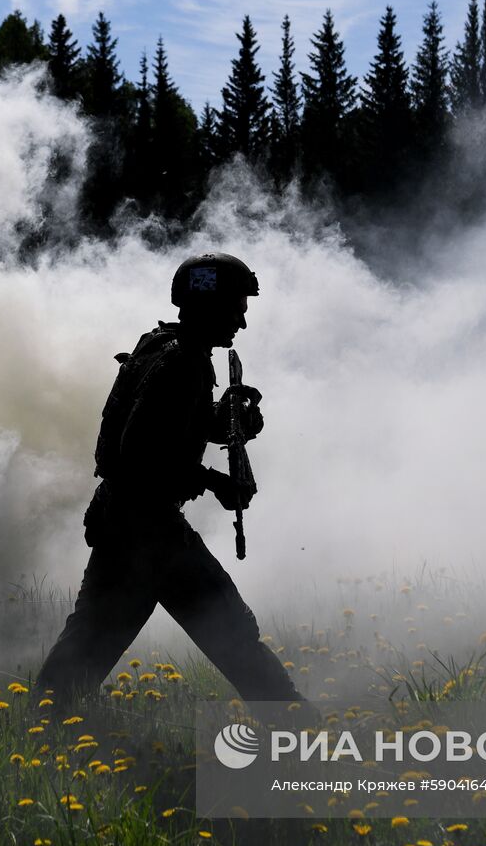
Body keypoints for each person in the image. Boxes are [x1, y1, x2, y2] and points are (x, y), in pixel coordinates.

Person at [35, 252, 305, 707]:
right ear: (209, 304)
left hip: (125, 525)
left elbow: (173, 429)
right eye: (236, 306)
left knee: (87, 645)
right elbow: (139, 455)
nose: (241, 320)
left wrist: (230, 421)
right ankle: (299, 729)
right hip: (150, 533)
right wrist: (216, 483)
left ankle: (40, 725)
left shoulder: (167, 348)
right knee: (232, 632)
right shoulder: (181, 363)